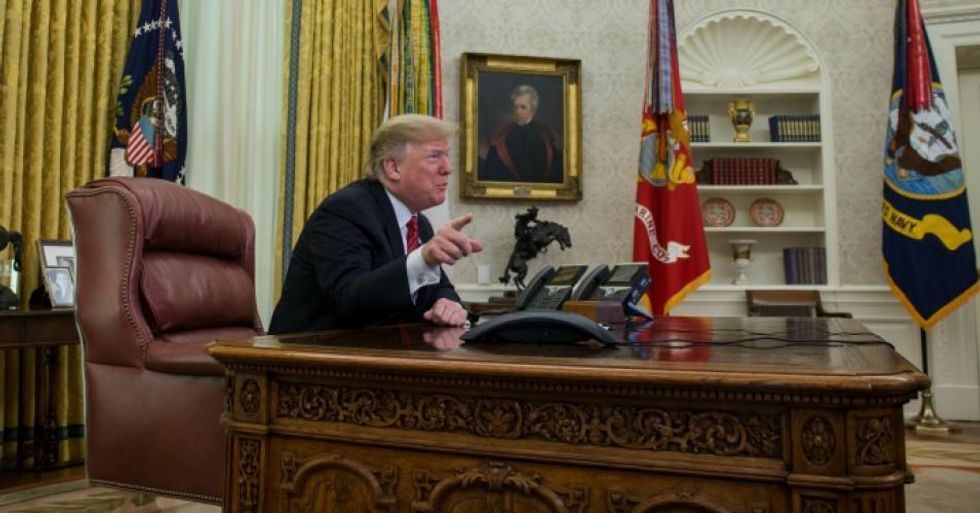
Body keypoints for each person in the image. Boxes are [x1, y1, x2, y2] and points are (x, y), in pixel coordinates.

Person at [269, 114, 483, 334]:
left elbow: (439, 288)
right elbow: (348, 300)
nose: (447, 167)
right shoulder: (345, 210)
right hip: (307, 357)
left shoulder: (419, 224)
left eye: (447, 156)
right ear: (393, 168)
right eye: (434, 156)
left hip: (381, 355)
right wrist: (423, 258)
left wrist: (448, 304)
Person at [480, 85, 563, 183]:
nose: (518, 111)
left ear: (533, 110)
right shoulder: (503, 133)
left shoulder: (544, 134)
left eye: (523, 107)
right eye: (516, 107)